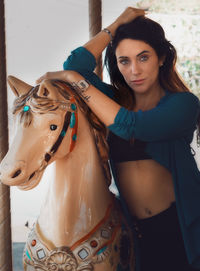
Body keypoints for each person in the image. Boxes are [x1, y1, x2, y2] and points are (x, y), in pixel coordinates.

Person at [36, 7, 200, 271]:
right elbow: (76, 64)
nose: (134, 70)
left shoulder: (183, 105)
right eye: (124, 61)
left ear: (161, 58)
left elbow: (131, 127)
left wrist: (71, 79)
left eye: (143, 57)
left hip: (178, 230)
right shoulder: (112, 103)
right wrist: (118, 23)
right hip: (132, 232)